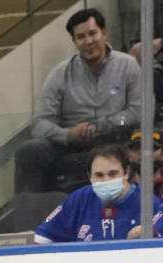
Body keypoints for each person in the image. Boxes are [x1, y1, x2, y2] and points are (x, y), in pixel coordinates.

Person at [15, 8, 141, 194]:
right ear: (74, 41)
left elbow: (139, 111)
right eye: (81, 37)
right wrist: (68, 135)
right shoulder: (60, 73)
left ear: (104, 33)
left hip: (114, 137)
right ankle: (28, 220)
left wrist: (101, 126)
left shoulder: (127, 65)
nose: (88, 41)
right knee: (29, 151)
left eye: (93, 33)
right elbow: (39, 123)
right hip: (70, 143)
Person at [34, 144, 161, 243]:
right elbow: (43, 237)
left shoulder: (148, 203)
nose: (106, 180)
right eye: (99, 175)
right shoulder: (79, 199)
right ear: (90, 176)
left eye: (113, 174)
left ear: (126, 172)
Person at [128, 130, 163, 195]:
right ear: (129, 155)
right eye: (136, 148)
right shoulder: (121, 187)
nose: (142, 152)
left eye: (150, 147)